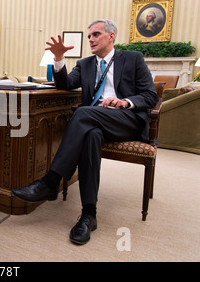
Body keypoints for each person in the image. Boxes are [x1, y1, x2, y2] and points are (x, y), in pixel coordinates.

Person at [12, 19, 158, 245]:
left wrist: (124, 101)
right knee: (91, 136)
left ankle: (51, 181)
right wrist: (59, 59)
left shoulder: (133, 58)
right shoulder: (85, 63)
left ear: (111, 36)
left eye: (96, 34)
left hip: (126, 120)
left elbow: (150, 96)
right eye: (89, 35)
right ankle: (89, 215)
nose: (91, 39)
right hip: (96, 122)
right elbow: (66, 84)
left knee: (82, 113)